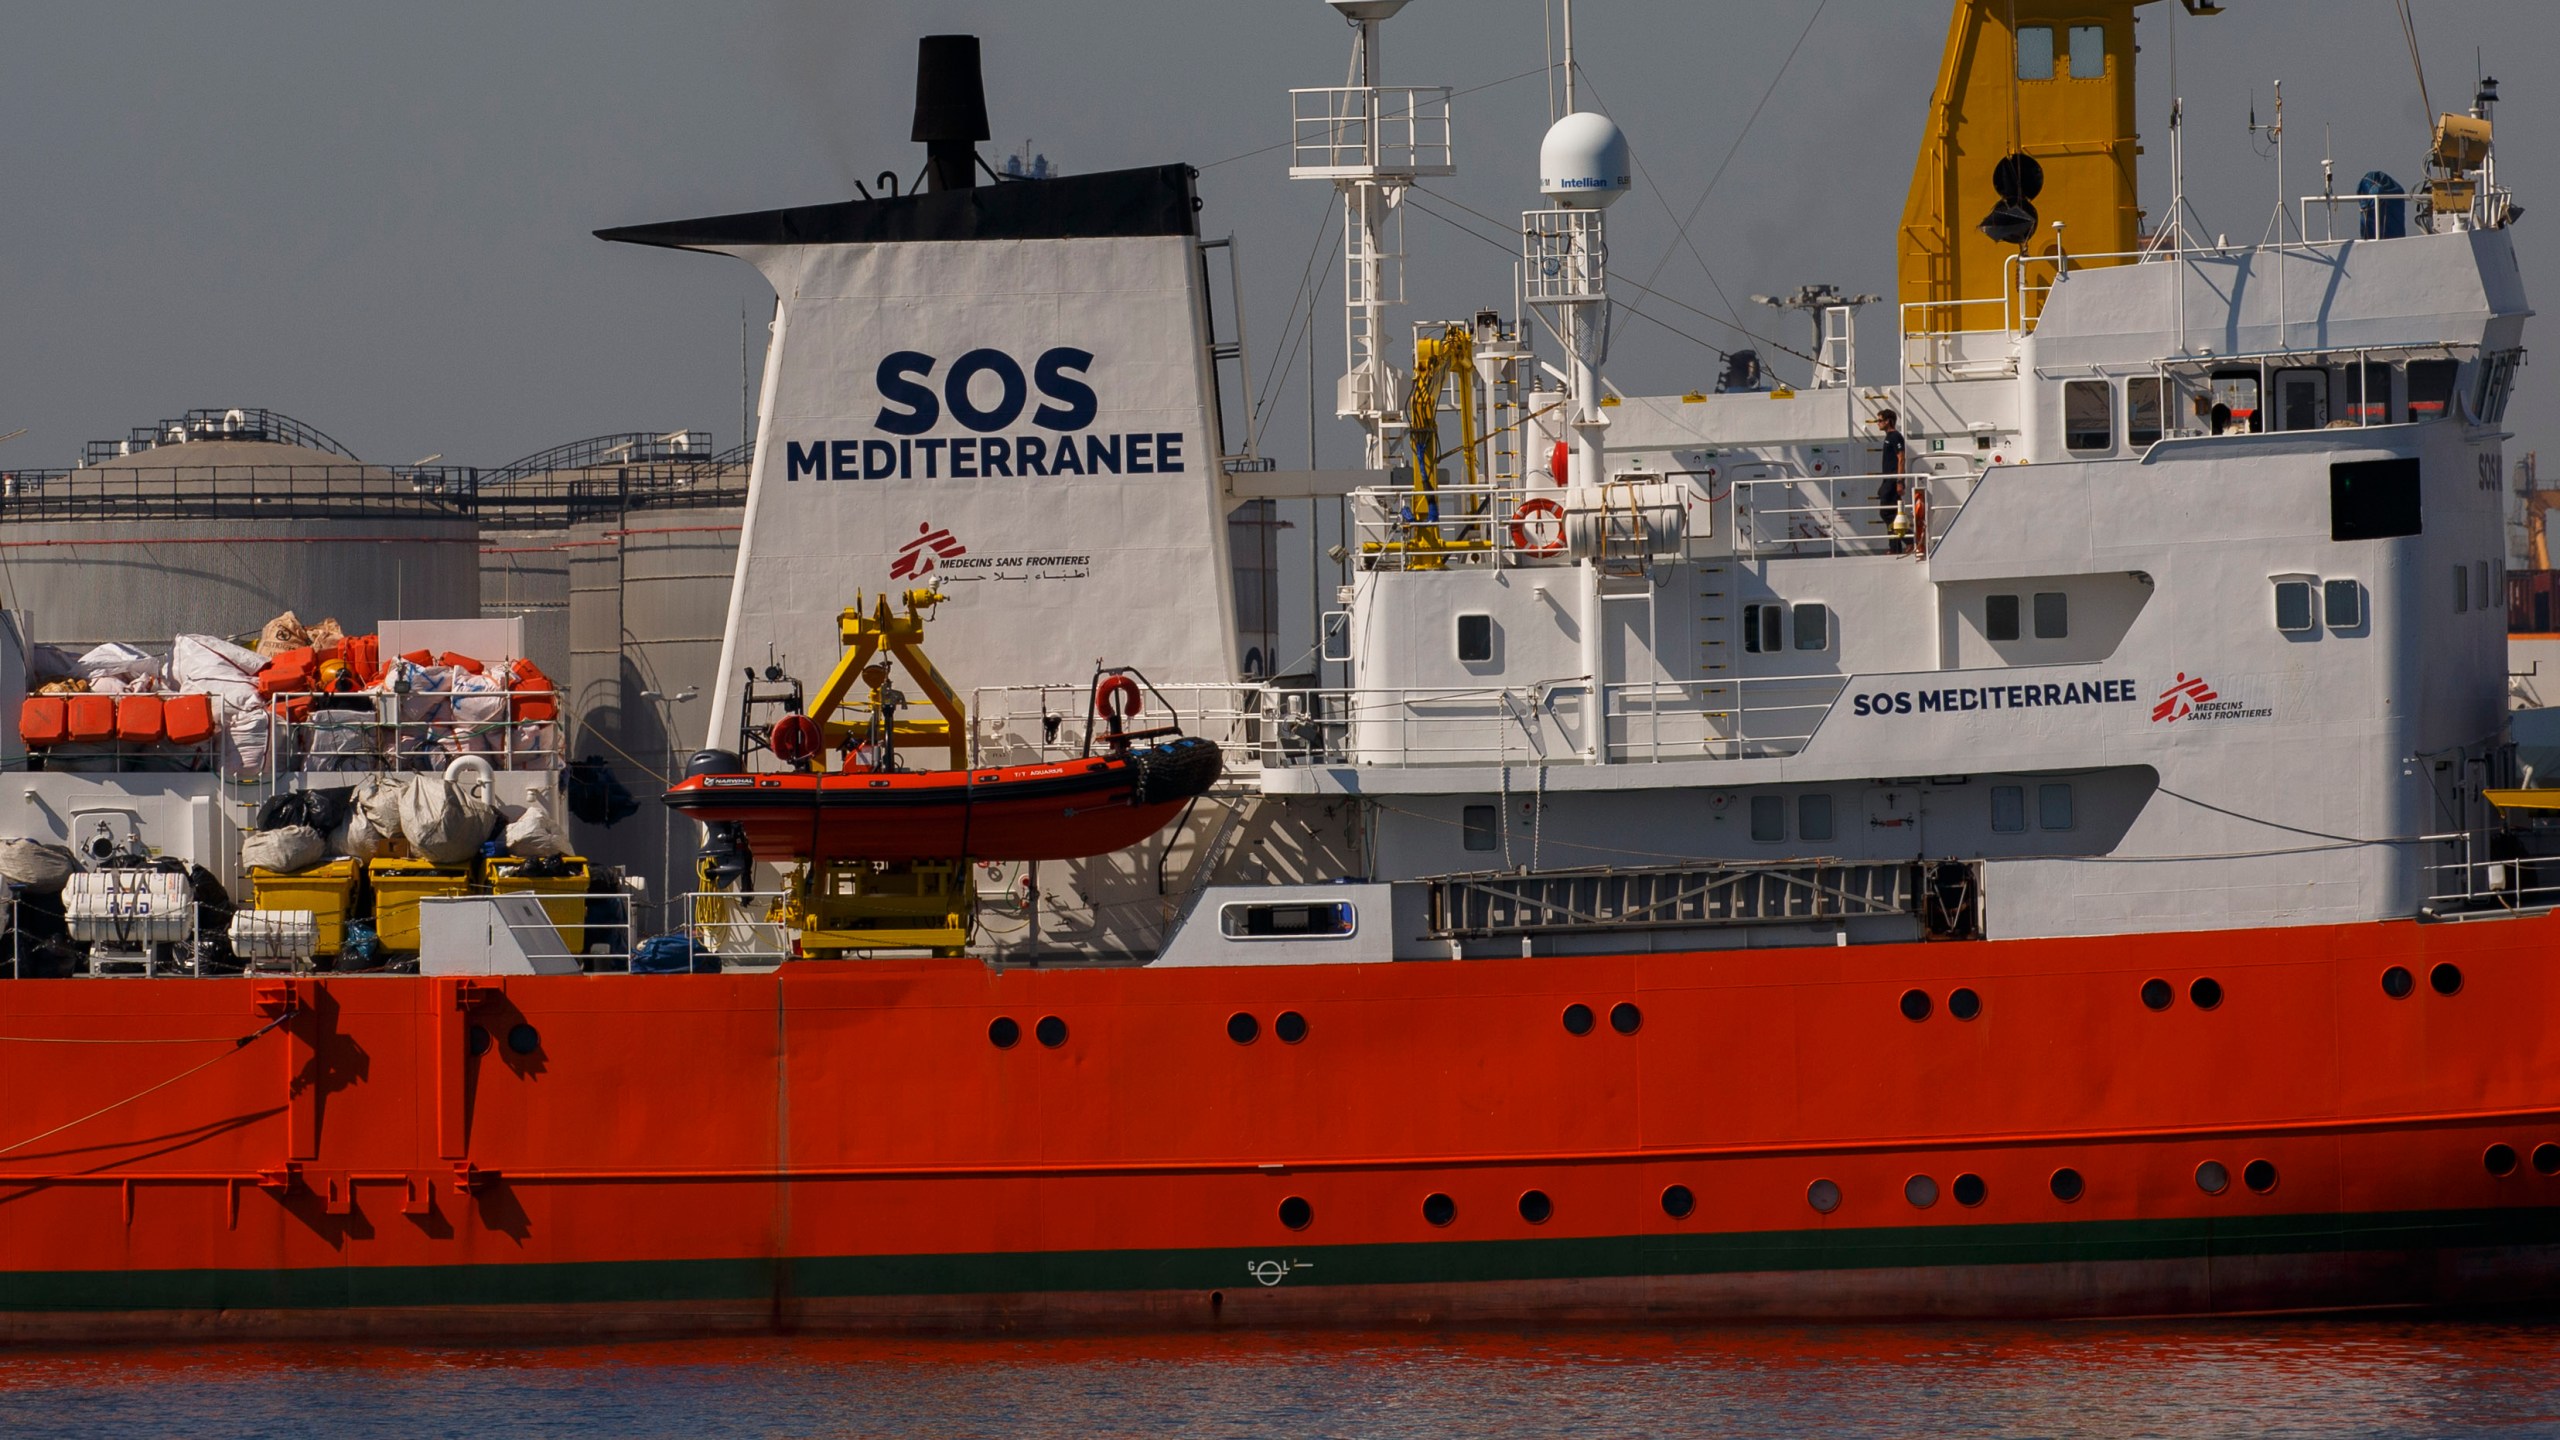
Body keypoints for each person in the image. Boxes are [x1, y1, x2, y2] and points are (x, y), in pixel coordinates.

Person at [1872, 408, 1908, 555]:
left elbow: (1901, 458)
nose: (1877, 424)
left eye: (1880, 420)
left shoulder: (1895, 437)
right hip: (1888, 480)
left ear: (1888, 421)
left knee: (1886, 513)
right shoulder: (1888, 437)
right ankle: (1895, 547)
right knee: (1891, 513)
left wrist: (1899, 481)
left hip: (1893, 480)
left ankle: (1909, 540)